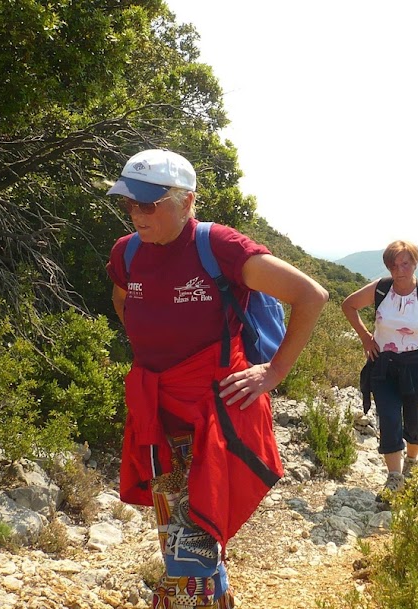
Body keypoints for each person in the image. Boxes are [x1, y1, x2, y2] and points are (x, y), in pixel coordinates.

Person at [105, 148, 328, 609]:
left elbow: (311, 295)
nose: (137, 215)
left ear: (187, 201)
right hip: (158, 418)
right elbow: (124, 300)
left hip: (215, 416)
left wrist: (276, 370)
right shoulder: (126, 253)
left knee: (189, 552)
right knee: (186, 541)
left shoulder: (220, 247)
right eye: (130, 203)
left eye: (149, 204)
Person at [341, 240, 418, 500]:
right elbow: (348, 305)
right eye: (393, 264)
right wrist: (366, 337)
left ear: (415, 262)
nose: (399, 269)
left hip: (417, 367)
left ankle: (411, 460)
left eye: (405, 263)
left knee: (416, 420)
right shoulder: (380, 289)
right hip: (384, 365)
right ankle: (394, 477)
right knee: (388, 417)